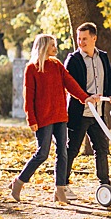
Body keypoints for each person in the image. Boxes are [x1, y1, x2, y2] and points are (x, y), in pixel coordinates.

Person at [9, 34, 99, 203]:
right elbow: (29, 97)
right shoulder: (32, 68)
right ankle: (18, 182)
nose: (55, 48)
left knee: (62, 153)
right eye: (52, 45)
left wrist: (85, 97)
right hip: (43, 119)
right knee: (42, 154)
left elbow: (70, 83)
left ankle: (59, 190)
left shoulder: (57, 65)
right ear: (43, 47)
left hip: (60, 116)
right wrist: (32, 119)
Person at [64, 22, 111, 200]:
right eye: (79, 39)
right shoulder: (74, 59)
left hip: (99, 113)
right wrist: (87, 96)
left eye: (85, 39)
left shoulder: (103, 57)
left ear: (94, 38)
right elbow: (71, 86)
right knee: (72, 149)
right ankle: (62, 185)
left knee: (102, 148)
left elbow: (109, 79)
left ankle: (105, 185)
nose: (81, 42)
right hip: (80, 112)